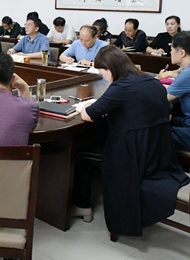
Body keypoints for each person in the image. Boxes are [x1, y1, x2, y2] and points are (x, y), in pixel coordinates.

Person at [78, 45, 189, 236]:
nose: (104, 77)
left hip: (131, 157)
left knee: (82, 155)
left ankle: (82, 206)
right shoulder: (152, 81)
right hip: (159, 153)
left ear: (110, 69)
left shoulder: (120, 87)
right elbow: (168, 115)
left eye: (103, 73)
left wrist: (85, 105)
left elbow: (88, 115)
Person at [166, 31, 190, 150]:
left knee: (154, 135)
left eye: (171, 49)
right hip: (186, 121)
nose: (170, 52)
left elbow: (164, 98)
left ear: (181, 53)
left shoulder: (187, 74)